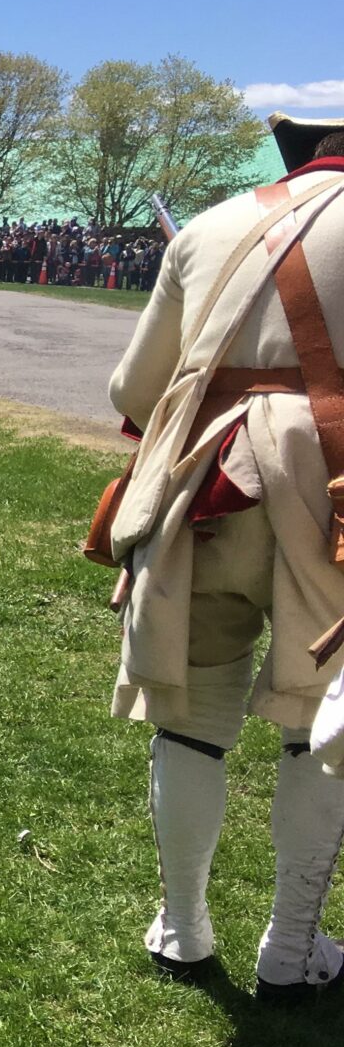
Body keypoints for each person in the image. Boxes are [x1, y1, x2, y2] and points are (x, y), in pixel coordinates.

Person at [105, 111, 344, 998]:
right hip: (332, 499)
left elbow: (132, 389)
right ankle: (291, 946)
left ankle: (184, 928)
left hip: (209, 483)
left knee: (190, 717)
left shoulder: (210, 226)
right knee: (313, 724)